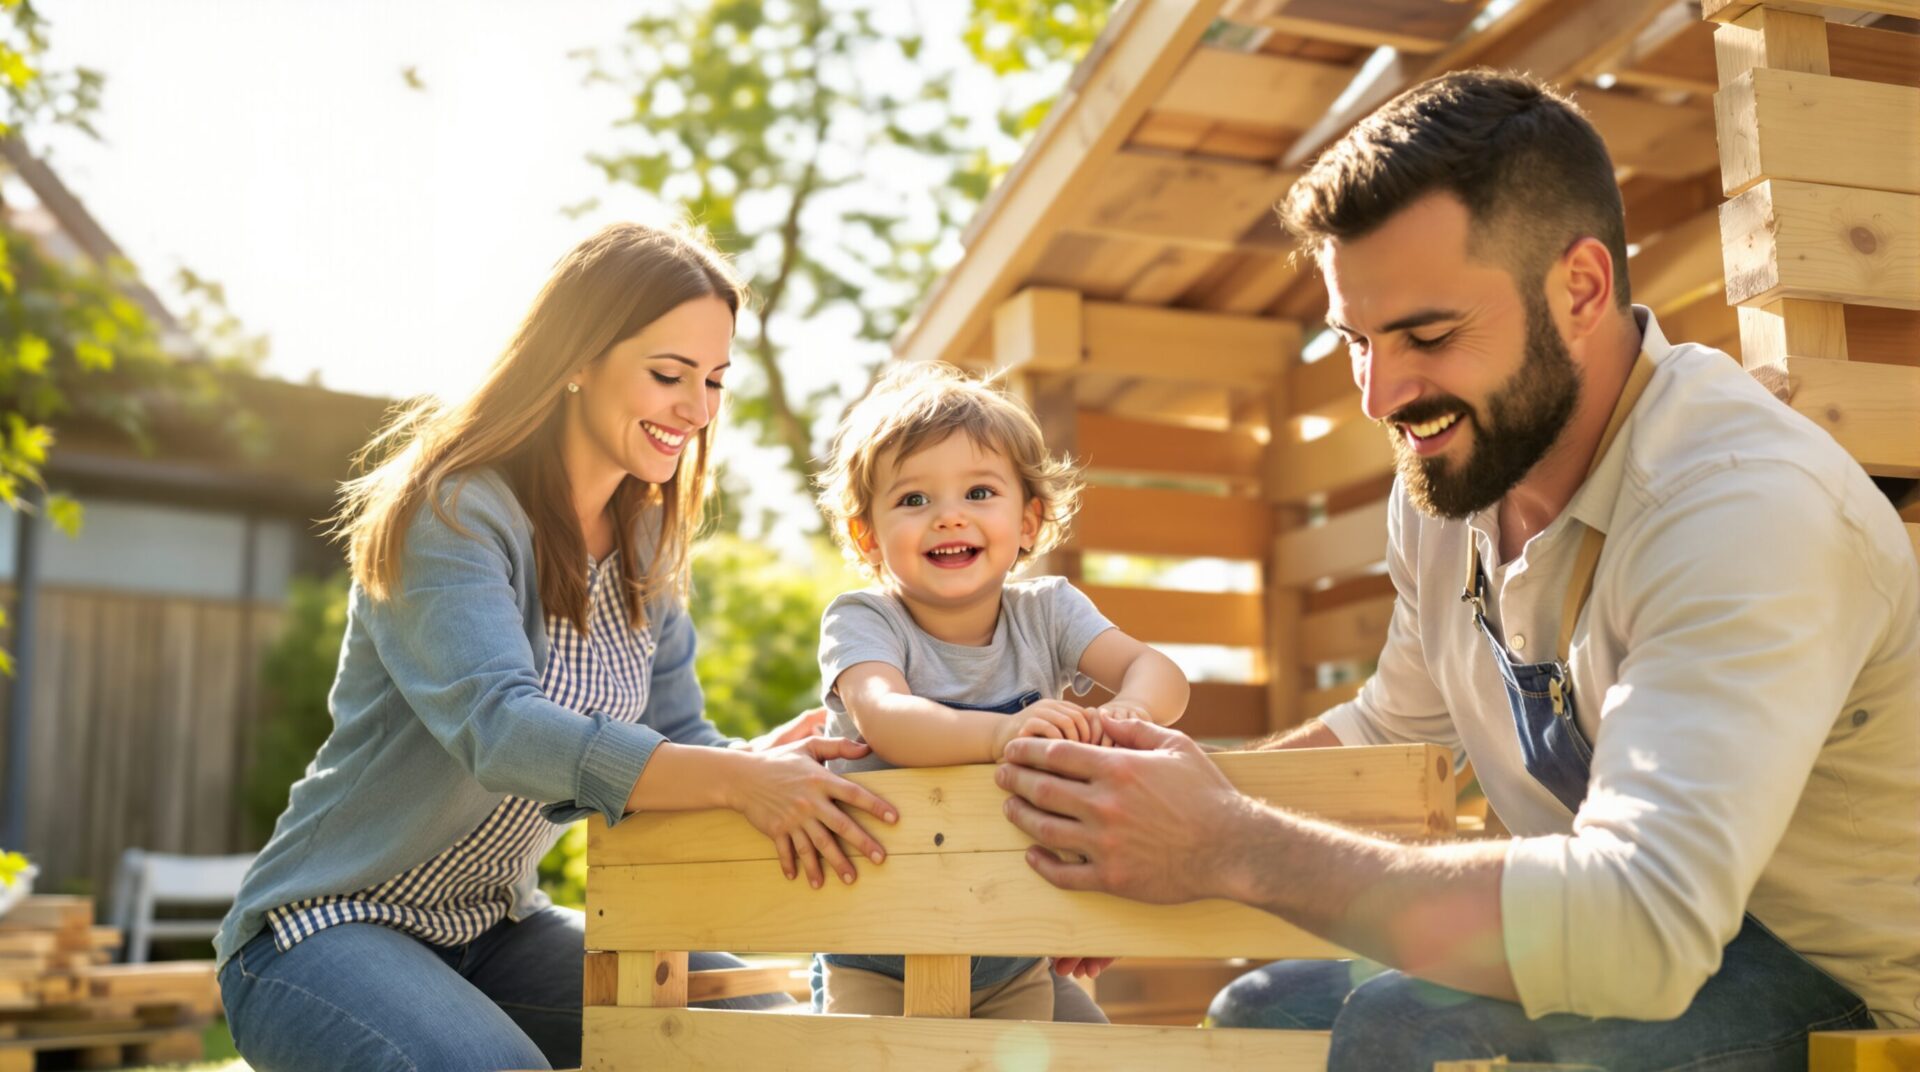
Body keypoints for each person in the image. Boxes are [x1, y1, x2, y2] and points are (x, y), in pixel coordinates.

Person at [993, 69, 1919, 1069]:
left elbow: (1646, 925)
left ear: (1581, 288)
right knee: (1266, 1009)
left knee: (1410, 1031)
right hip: (1654, 941)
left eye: (1428, 335)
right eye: (1355, 341)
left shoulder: (1746, 506)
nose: (1381, 394)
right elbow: (1391, 732)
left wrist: (1228, 846)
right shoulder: (1452, 477)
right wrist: (1154, 819)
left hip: (1848, 990)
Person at [214, 222, 903, 1072]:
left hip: (493, 928)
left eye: (715, 380)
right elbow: (502, 729)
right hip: (323, 928)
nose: (697, 409)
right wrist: (737, 778)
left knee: (749, 1028)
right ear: (577, 358)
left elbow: (679, 743)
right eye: (668, 374)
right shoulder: (454, 513)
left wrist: (763, 762)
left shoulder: (646, 549)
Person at [807, 361, 1189, 1020]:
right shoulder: (864, 619)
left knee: (1095, 1050)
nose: (948, 517)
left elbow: (1162, 674)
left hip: (1013, 952)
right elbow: (886, 718)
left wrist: (1126, 713)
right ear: (868, 537)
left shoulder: (1050, 612)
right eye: (913, 500)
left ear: (1031, 521)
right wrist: (1001, 732)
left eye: (979, 493)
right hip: (876, 950)